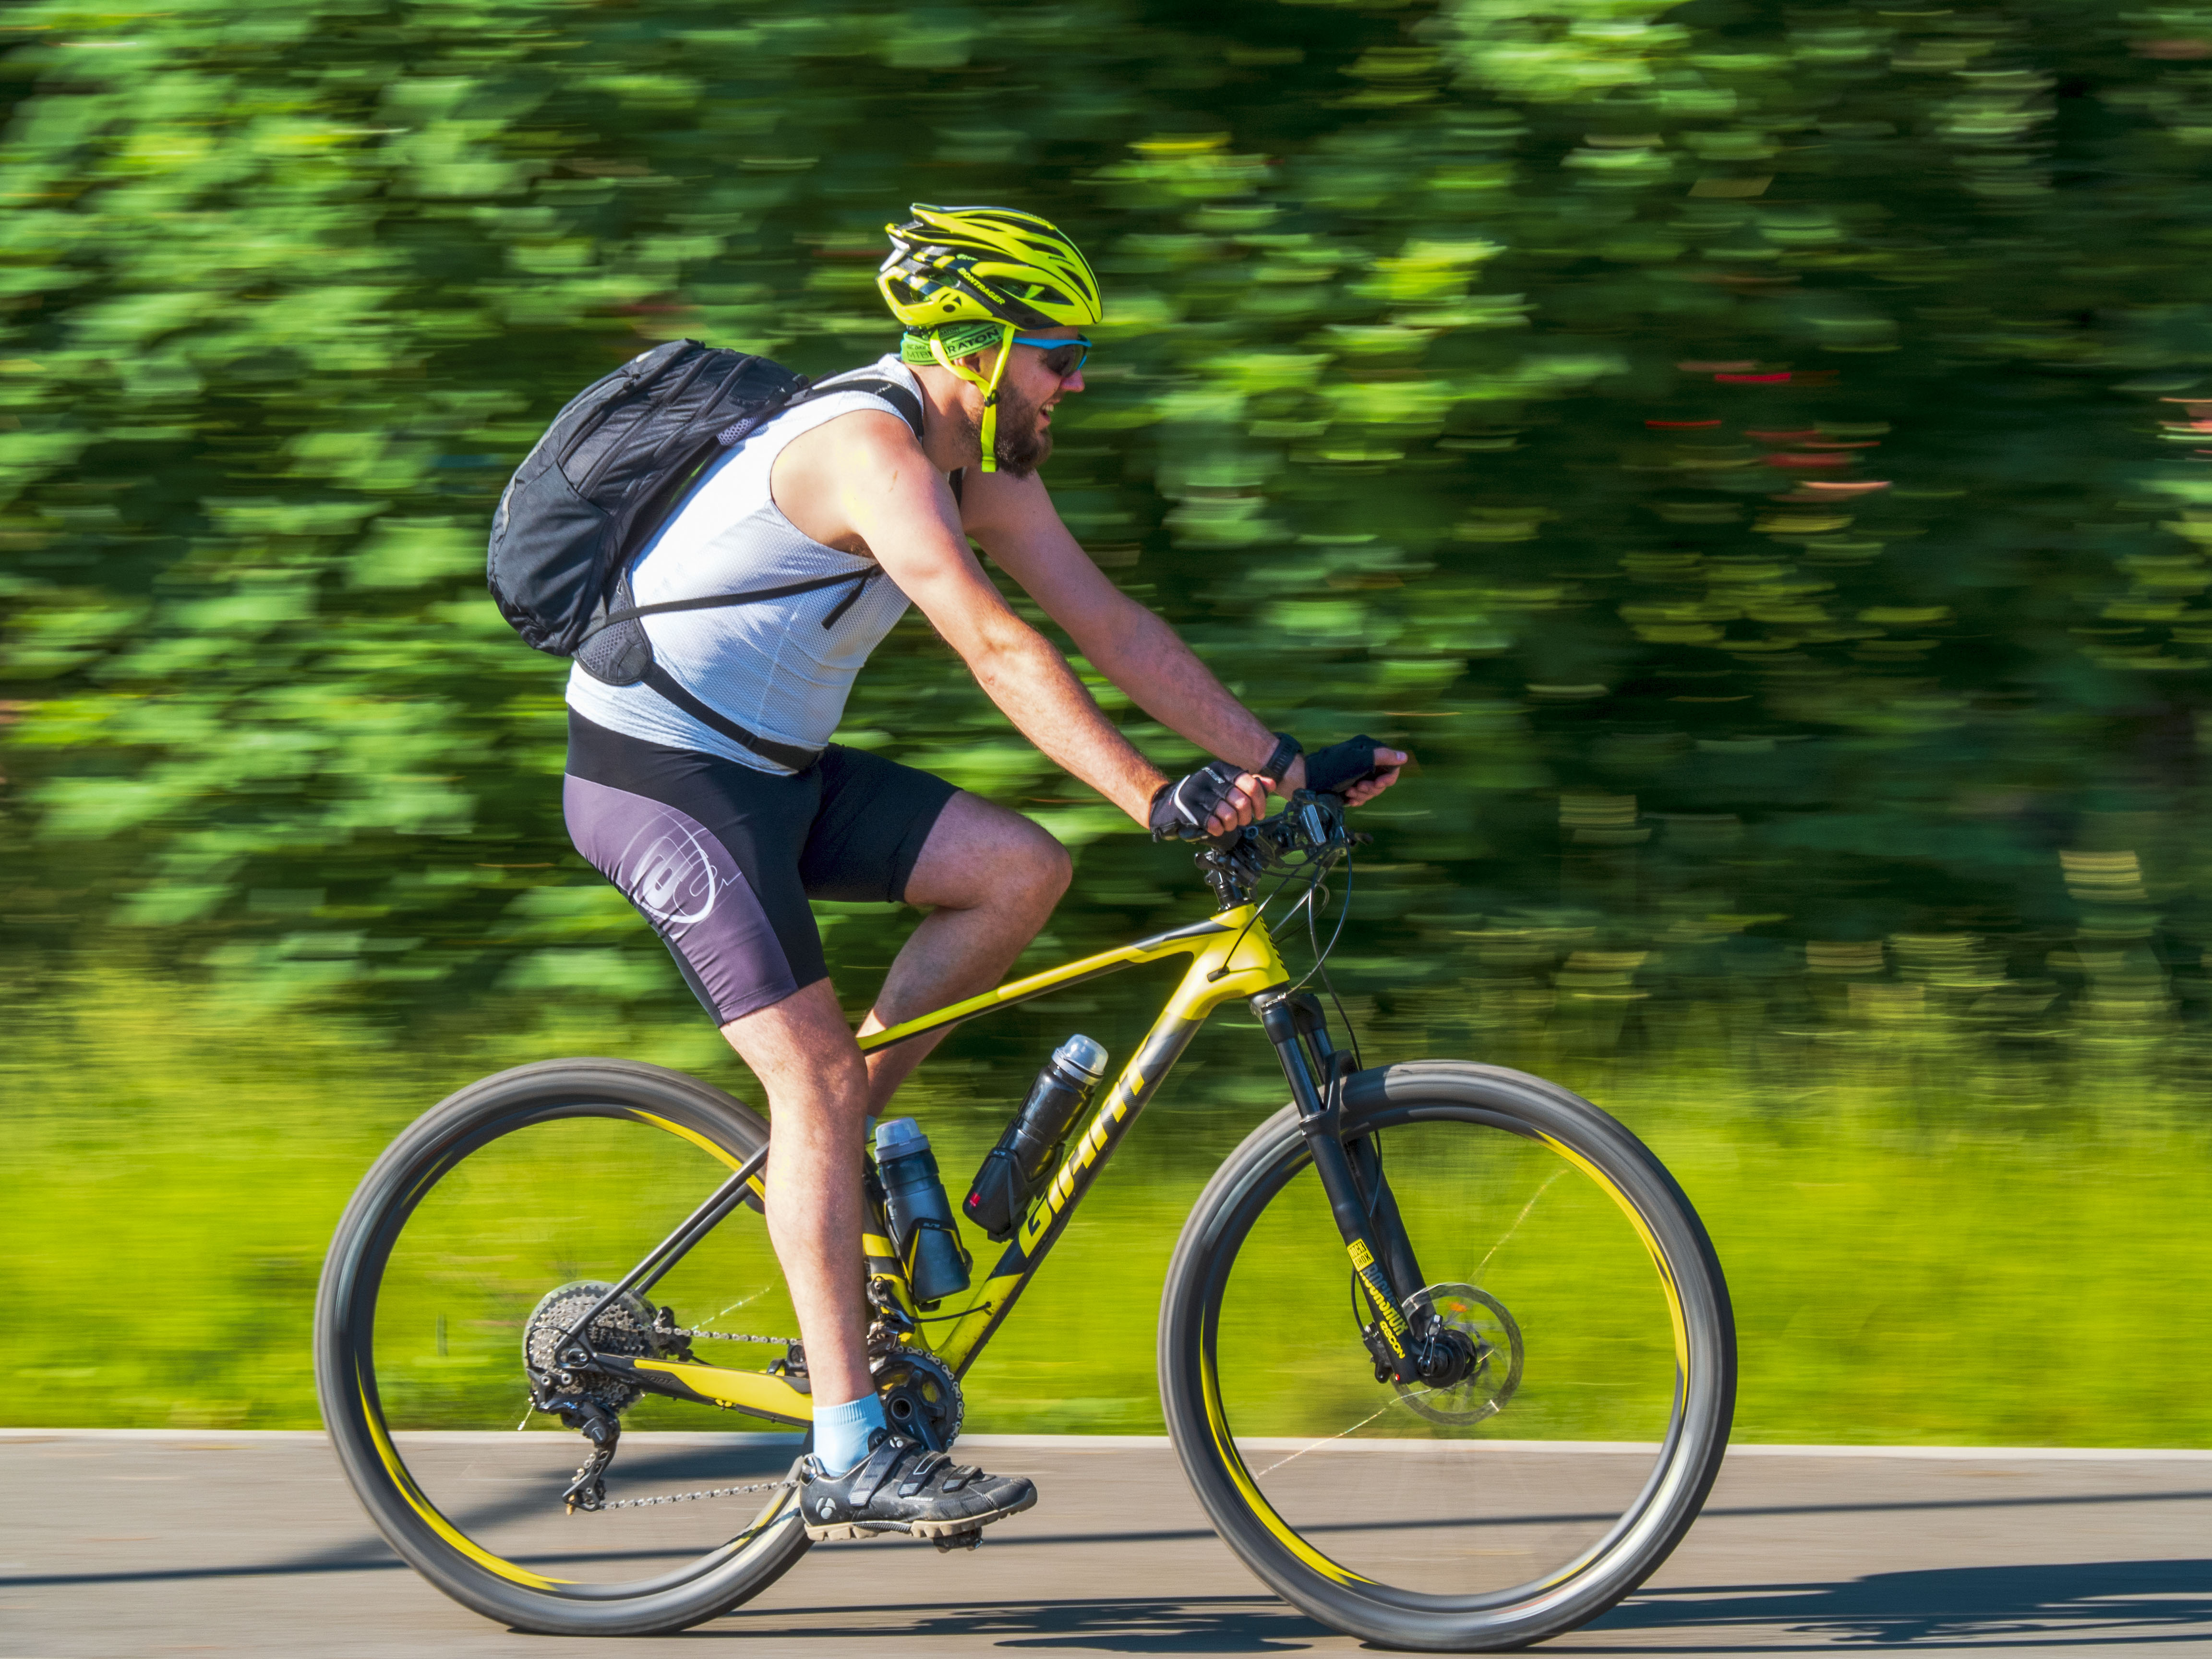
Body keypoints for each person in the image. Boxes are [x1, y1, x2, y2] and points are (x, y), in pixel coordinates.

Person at [560, 203, 1408, 1540]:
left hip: (777, 768)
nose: (1079, 383)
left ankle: (830, 1177)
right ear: (979, 342)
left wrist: (1283, 765)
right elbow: (996, 646)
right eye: (1061, 355)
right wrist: (1151, 795)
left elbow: (1110, 624)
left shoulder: (983, 467)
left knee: (1017, 870)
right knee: (821, 1073)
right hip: (657, 777)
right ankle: (847, 1451)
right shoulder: (871, 453)